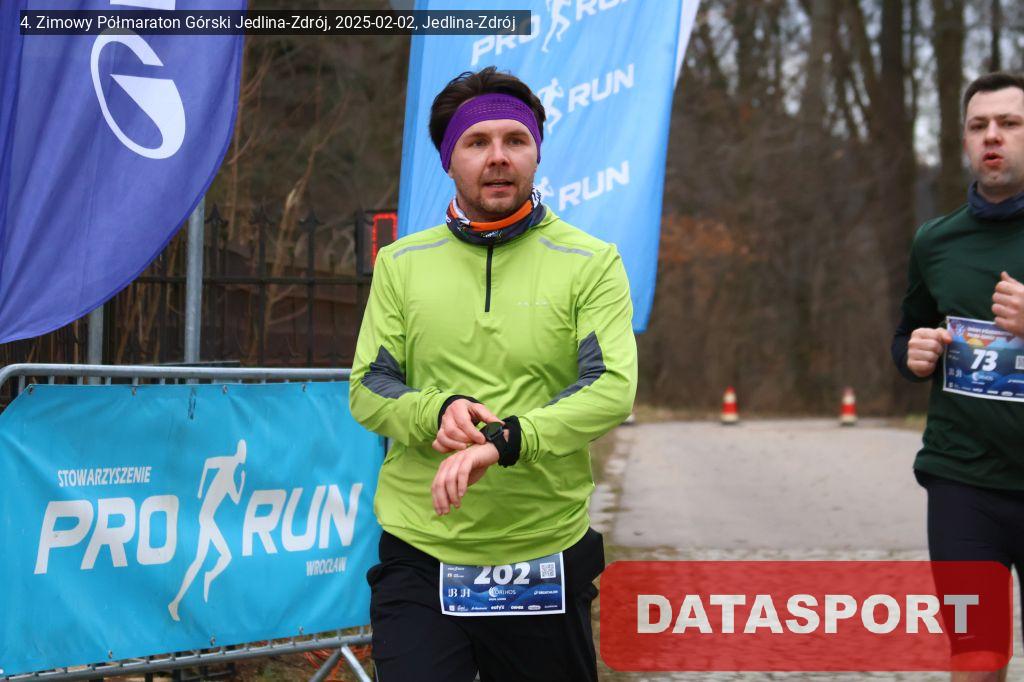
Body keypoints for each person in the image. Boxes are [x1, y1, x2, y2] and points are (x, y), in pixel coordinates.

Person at [348, 66, 637, 681]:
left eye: (516, 140)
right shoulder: (401, 264)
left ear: (537, 153)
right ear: (449, 160)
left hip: (541, 548)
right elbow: (369, 389)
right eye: (477, 142)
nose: (499, 157)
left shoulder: (590, 262)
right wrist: (437, 410)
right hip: (423, 551)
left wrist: (507, 441)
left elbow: (611, 388)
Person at [892, 71, 1024, 681]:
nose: (992, 135)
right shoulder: (936, 241)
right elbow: (907, 335)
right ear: (965, 140)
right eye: (979, 126)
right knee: (975, 661)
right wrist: (913, 353)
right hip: (963, 482)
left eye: (1010, 123)